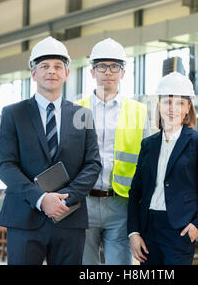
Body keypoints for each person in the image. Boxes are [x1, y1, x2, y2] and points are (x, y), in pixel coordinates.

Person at [0, 36, 102, 265]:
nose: (51, 71)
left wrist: (64, 199)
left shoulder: (82, 115)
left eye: (57, 66)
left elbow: (92, 164)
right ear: (33, 73)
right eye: (44, 66)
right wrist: (41, 198)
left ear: (67, 73)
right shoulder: (14, 114)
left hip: (69, 217)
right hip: (25, 216)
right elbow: (6, 165)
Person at [127, 71, 198, 265]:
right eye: (167, 102)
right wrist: (134, 232)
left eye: (179, 103)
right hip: (148, 228)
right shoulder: (148, 144)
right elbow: (135, 191)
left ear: (188, 108)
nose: (172, 108)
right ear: (159, 106)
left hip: (180, 229)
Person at [75, 38, 150, 265]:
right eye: (101, 66)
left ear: (123, 73)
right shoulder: (76, 110)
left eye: (114, 66)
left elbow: (147, 162)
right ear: (92, 72)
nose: (108, 72)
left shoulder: (139, 112)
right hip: (83, 203)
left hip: (121, 204)